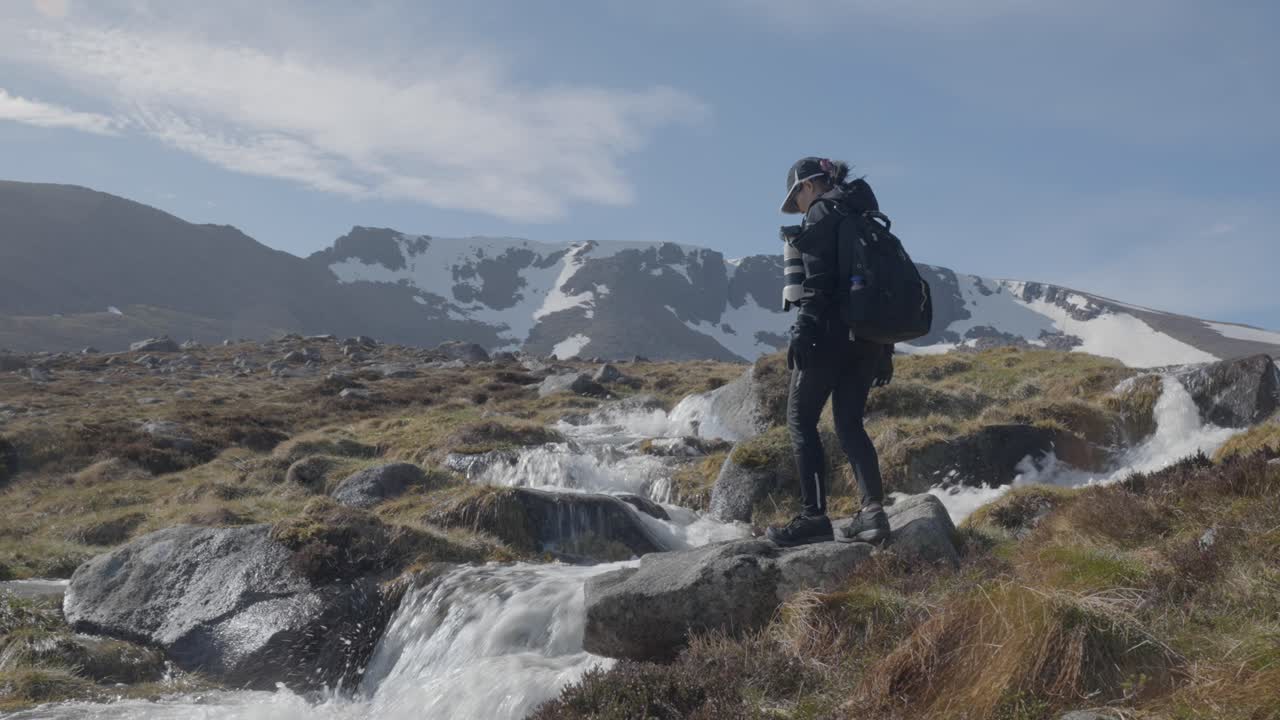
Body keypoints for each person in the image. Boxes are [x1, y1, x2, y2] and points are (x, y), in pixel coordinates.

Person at [765, 156, 894, 547]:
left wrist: (803, 329)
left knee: (801, 421)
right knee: (850, 424)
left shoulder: (823, 211)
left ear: (808, 186)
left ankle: (813, 517)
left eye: (796, 198)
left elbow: (818, 279)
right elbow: (881, 285)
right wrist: (885, 347)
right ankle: (873, 514)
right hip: (869, 337)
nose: (798, 207)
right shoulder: (867, 215)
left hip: (830, 334)